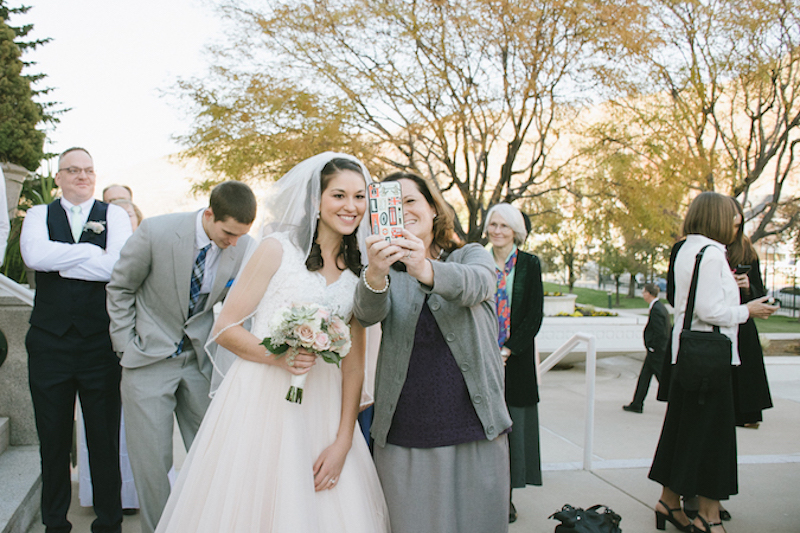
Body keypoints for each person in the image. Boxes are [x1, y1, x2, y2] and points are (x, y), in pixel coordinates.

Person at [153, 153, 390, 532]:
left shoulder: (360, 269)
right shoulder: (276, 249)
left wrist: (344, 439)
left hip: (324, 407)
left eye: (360, 197)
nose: (351, 206)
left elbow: (355, 364)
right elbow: (226, 328)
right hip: (260, 401)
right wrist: (278, 357)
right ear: (317, 199)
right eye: (339, 195)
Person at [354, 172, 512, 533]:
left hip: (475, 423)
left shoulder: (470, 254)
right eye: (394, 203)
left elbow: (478, 285)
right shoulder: (385, 271)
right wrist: (376, 273)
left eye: (411, 200)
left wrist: (422, 266)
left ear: (432, 207)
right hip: (407, 428)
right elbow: (366, 314)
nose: (404, 209)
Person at [106, 181, 256, 533]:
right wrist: (125, 345)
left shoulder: (244, 245)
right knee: (153, 466)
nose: (234, 242)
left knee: (213, 453)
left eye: (240, 235)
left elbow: (240, 305)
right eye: (228, 233)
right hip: (147, 360)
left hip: (199, 362)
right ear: (208, 215)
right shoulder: (155, 231)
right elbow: (120, 287)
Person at [648, 191, 777, 533]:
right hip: (710, 362)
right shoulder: (712, 254)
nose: (737, 225)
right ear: (717, 218)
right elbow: (710, 311)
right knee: (714, 439)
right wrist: (748, 309)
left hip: (689, 359)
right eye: (733, 219)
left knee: (686, 432)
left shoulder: (688, 249)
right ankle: (709, 516)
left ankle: (669, 502)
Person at [20, 147, 133, 533]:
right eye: (73, 170)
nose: (82, 176)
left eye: (88, 171)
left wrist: (64, 258)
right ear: (59, 177)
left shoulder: (114, 214)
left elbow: (119, 265)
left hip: (98, 344)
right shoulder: (38, 214)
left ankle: (109, 523)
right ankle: (55, 524)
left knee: (104, 440)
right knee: (51, 441)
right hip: (49, 344)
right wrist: (89, 253)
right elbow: (34, 256)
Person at [78, 196, 145, 514]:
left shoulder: (148, 245)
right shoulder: (103, 241)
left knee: (134, 426)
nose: (120, 212)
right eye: (112, 206)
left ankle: (135, 496)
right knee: (103, 429)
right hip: (97, 346)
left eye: (126, 207)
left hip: (138, 346)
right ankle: (101, 496)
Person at [484, 202, 543, 523]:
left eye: (504, 226)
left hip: (515, 362)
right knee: (485, 430)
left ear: (515, 230)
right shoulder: (478, 259)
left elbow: (534, 314)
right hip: (481, 358)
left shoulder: (530, 264)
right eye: (493, 224)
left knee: (513, 430)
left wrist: (507, 351)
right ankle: (487, 492)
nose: (497, 231)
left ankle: (506, 496)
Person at [727, 199, 773, 429]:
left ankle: (748, 412)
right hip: (722, 315)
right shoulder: (711, 249)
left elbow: (760, 292)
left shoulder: (746, 250)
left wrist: (746, 287)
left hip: (743, 319)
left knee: (746, 364)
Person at [623, 283, 671, 414]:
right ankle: (637, 403)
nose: (643, 295)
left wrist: (653, 347)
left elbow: (661, 332)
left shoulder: (656, 309)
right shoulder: (659, 307)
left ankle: (677, 403)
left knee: (663, 379)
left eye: (644, 292)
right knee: (644, 376)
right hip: (656, 350)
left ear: (649, 294)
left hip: (657, 351)